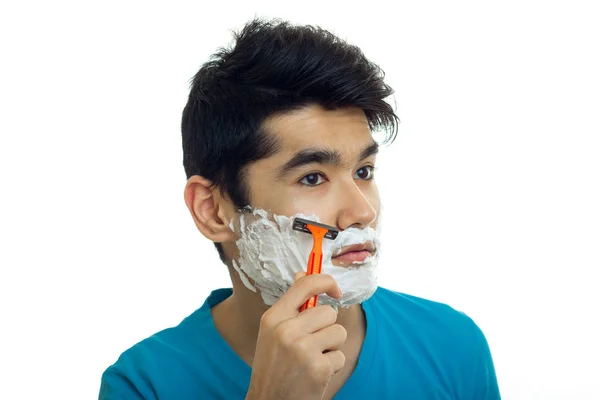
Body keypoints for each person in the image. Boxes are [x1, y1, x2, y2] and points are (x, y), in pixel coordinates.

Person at [99, 18, 501, 400]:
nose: (361, 212)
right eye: (312, 178)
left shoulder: (453, 345)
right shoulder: (144, 385)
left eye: (363, 171)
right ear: (213, 210)